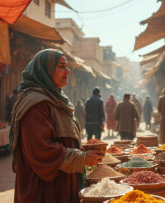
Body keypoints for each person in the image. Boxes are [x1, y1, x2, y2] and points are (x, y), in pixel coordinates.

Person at [10, 49, 104, 203]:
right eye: (61, 66)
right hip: (45, 189)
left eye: (67, 66)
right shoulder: (35, 104)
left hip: (61, 183)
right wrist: (81, 158)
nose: (67, 71)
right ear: (45, 71)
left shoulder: (56, 99)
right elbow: (41, 150)